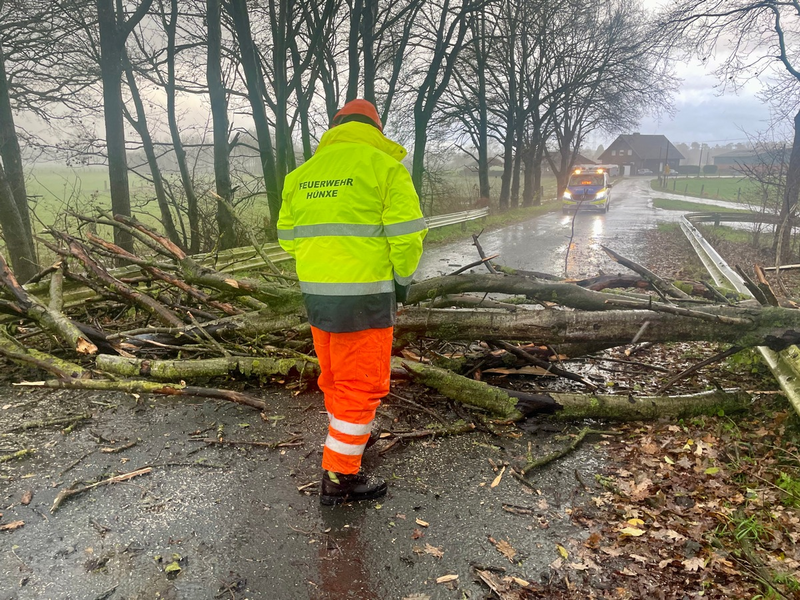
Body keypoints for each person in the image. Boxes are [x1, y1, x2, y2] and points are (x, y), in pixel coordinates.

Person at [277, 99, 427, 505]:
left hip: (318, 298)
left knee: (335, 379)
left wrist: (324, 271)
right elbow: (408, 238)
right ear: (376, 129)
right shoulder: (386, 169)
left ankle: (348, 439)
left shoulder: (300, 176)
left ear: (336, 126)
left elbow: (288, 240)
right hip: (365, 298)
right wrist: (400, 285)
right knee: (361, 386)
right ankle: (340, 477)